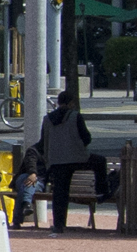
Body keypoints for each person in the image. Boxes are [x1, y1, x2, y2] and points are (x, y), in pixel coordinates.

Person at [38, 90, 104, 232]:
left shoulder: (47, 119)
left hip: (56, 160)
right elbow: (86, 138)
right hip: (77, 157)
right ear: (71, 103)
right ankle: (101, 192)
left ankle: (59, 224)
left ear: (58, 102)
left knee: (59, 192)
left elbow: (43, 141)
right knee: (99, 162)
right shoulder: (75, 116)